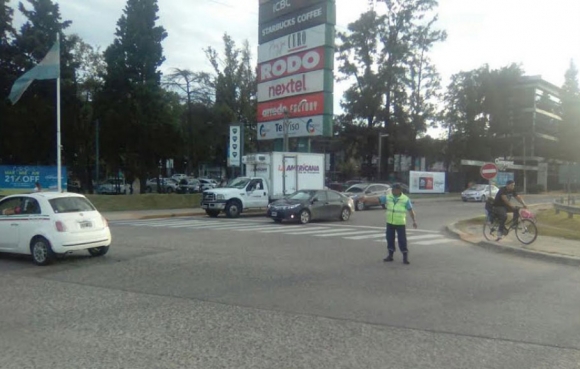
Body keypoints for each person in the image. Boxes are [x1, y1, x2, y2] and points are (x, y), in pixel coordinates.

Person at [382, 184, 417, 265]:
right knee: (389, 239)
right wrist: (366, 199)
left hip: (400, 223)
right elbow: (378, 199)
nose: (393, 191)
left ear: (399, 190)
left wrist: (414, 221)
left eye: (394, 190)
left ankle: (405, 256)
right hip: (390, 222)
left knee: (402, 240)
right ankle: (390, 255)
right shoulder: (388, 197)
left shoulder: (405, 199)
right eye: (392, 190)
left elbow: (410, 210)